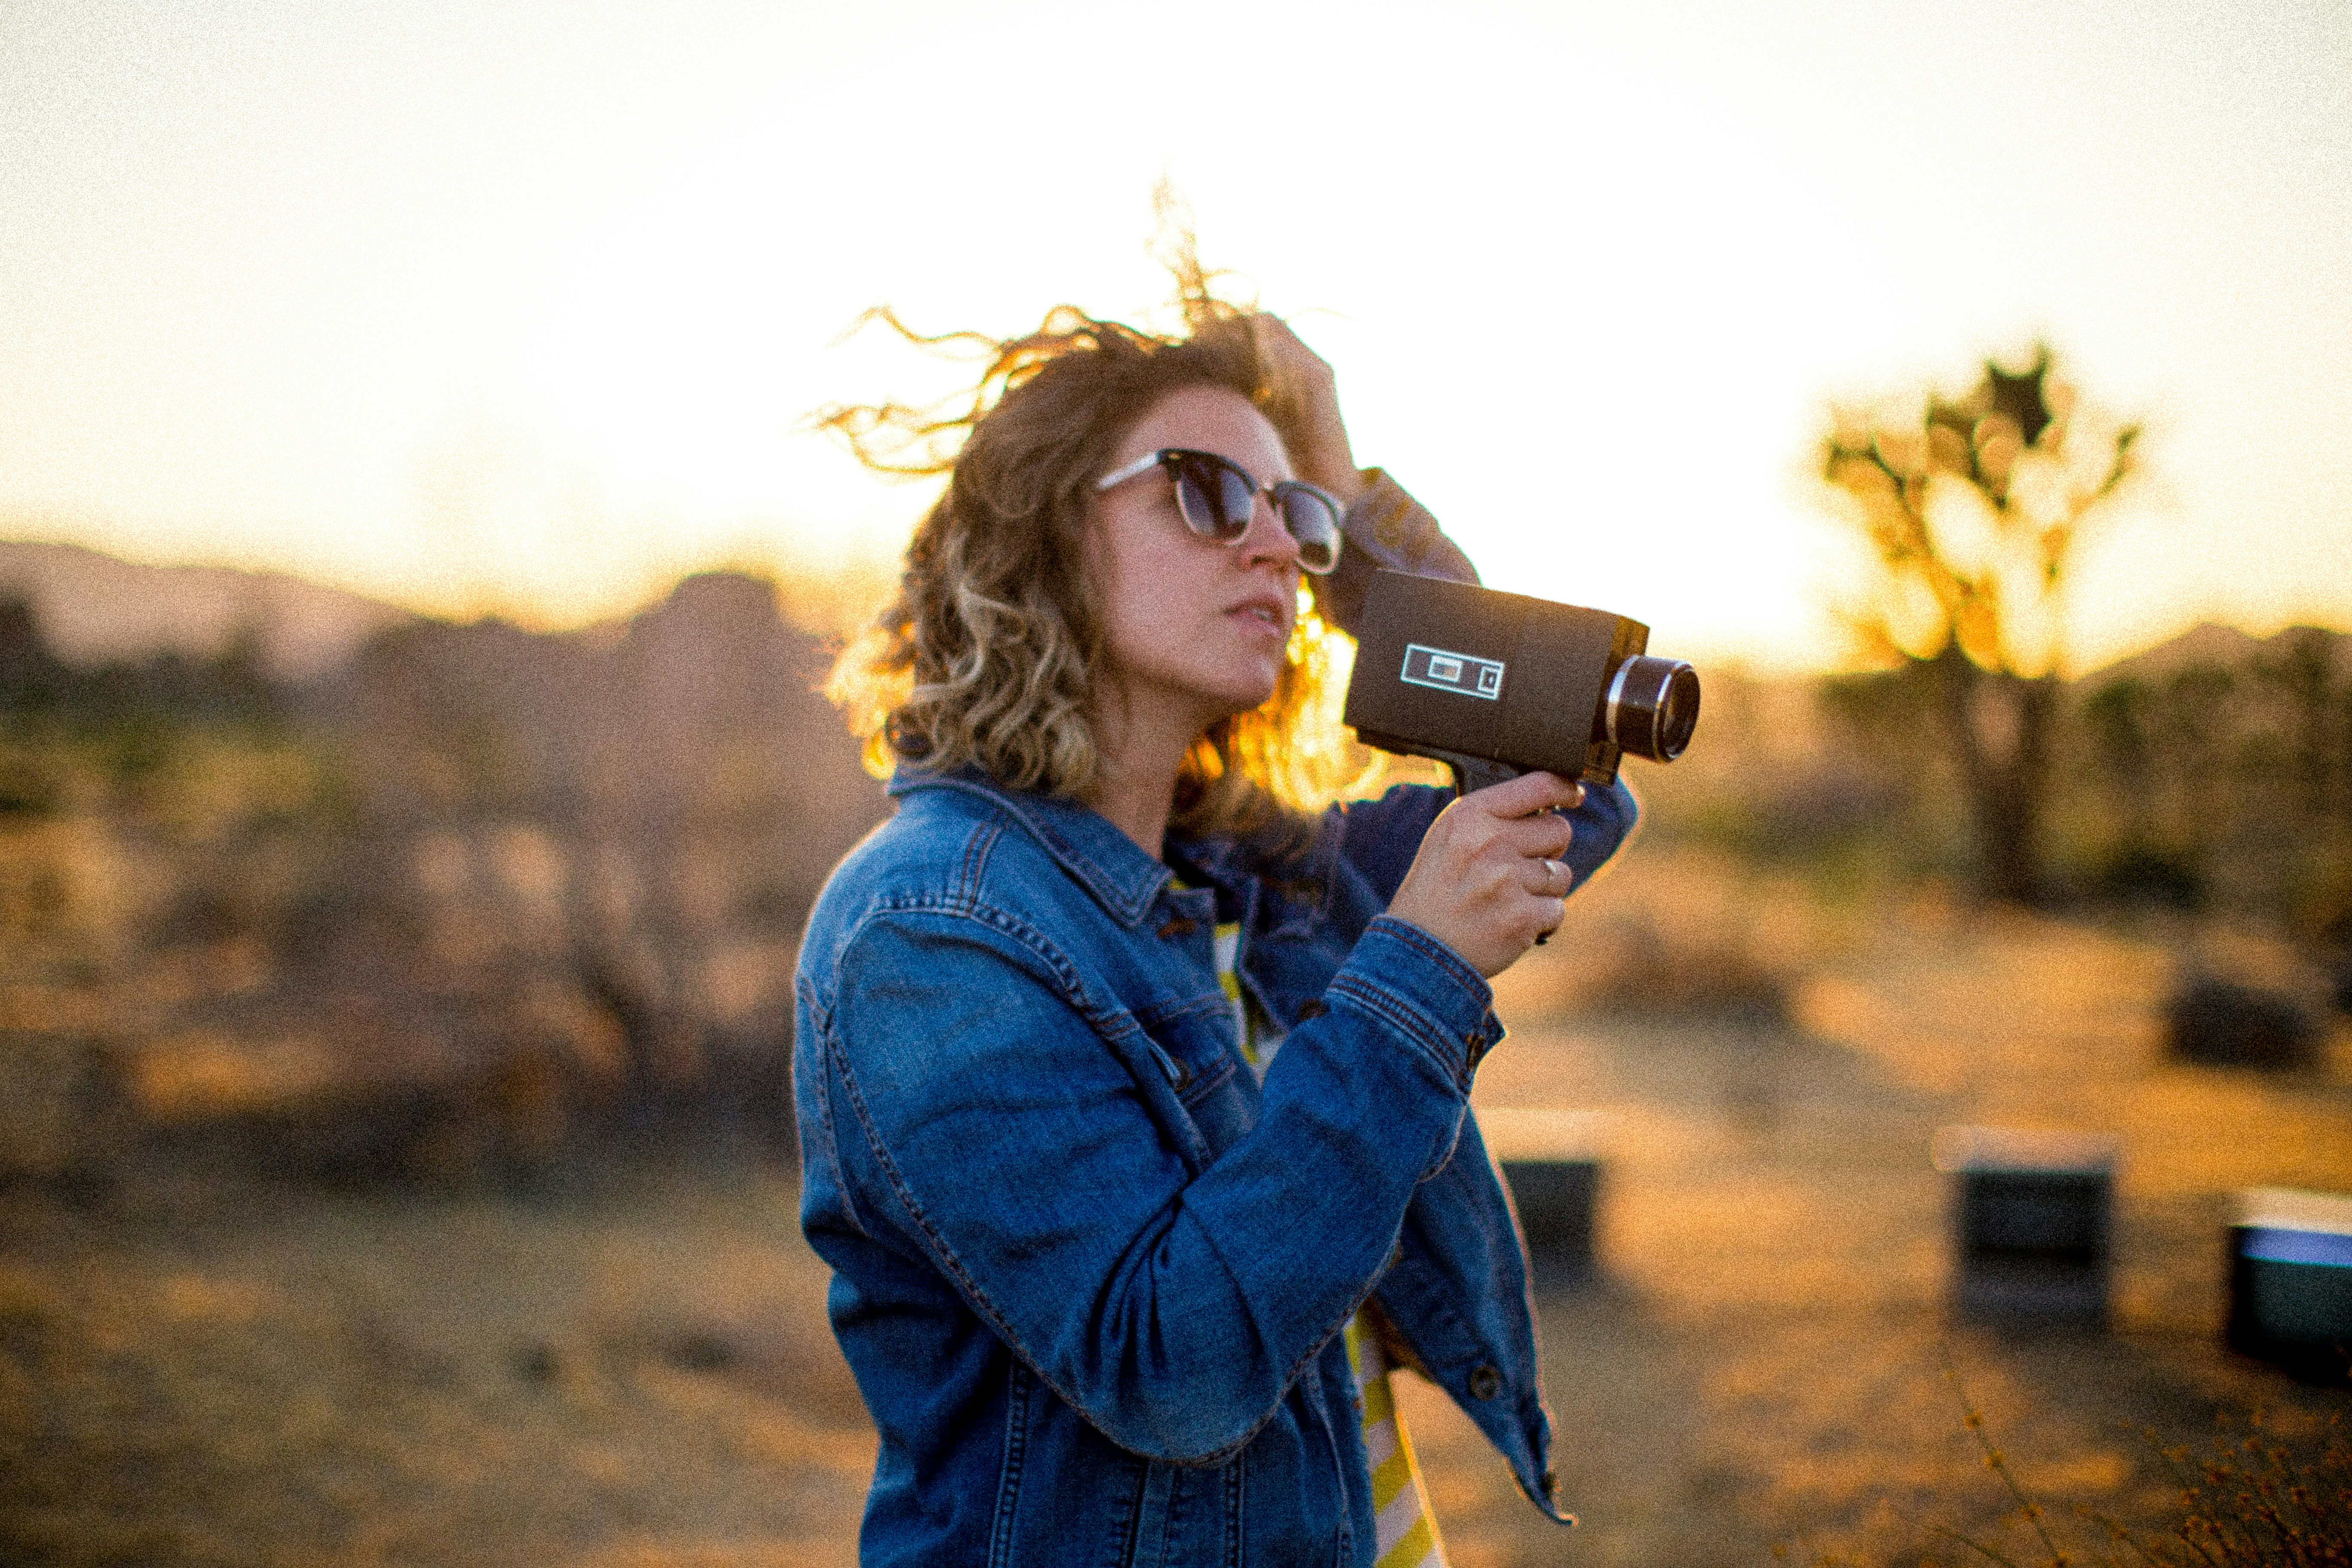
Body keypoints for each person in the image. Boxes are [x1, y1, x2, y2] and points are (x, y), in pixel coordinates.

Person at [796, 293, 1637, 1566]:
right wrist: (1416, 977)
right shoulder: (930, 927)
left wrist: (1354, 518)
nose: (1276, 546)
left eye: (1295, 515)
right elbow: (1171, 1368)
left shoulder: (1259, 876)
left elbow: (1574, 782)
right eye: (1207, 492)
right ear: (1046, 534)